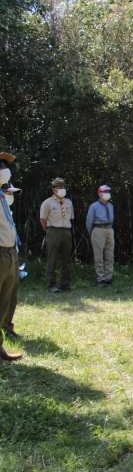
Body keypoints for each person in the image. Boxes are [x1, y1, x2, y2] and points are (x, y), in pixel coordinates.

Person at [0, 152, 22, 364]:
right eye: (0, 167)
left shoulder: (2, 196)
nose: (5, 170)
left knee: (3, 303)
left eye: (5, 166)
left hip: (8, 252)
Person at [40, 178, 75, 293]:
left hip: (66, 231)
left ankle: (65, 284)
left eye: (63, 187)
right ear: (54, 189)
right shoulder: (48, 203)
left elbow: (71, 218)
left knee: (66, 259)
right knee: (52, 259)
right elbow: (43, 219)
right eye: (60, 187)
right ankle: (51, 285)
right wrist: (48, 231)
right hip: (53, 230)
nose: (62, 189)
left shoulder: (68, 202)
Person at [1, 182, 21, 340]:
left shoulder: (7, 209)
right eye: (8, 193)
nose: (10, 196)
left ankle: (7, 327)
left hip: (12, 252)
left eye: (12, 194)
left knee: (11, 295)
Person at [86, 185, 115, 287]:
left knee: (109, 255)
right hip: (98, 229)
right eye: (104, 192)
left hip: (109, 229)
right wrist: (92, 233)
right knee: (98, 255)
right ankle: (101, 279)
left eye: (108, 192)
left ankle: (108, 277)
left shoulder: (110, 206)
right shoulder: (94, 206)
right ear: (99, 194)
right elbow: (89, 221)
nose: (107, 194)